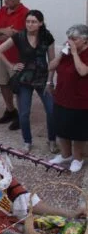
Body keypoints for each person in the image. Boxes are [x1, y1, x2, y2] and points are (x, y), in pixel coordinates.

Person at [0, 10, 56, 154]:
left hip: (42, 78)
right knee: (24, 113)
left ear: (40, 23)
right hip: (24, 78)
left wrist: (50, 81)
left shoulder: (47, 37)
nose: (30, 24)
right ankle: (27, 141)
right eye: (28, 21)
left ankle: (52, 140)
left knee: (51, 110)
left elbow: (52, 61)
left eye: (33, 22)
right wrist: (11, 65)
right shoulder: (19, 36)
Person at [0, 0, 29, 130]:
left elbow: (21, 35)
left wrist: (2, 32)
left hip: (16, 58)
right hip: (0, 55)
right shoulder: (2, 11)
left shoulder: (26, 13)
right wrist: (4, 30)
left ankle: (22, 116)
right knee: (2, 84)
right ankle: (11, 110)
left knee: (18, 88)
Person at [48, 24, 88, 173]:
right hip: (62, 98)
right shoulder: (66, 53)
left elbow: (82, 71)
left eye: (74, 39)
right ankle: (66, 155)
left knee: (77, 133)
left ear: (85, 40)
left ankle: (78, 158)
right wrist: (60, 54)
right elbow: (50, 67)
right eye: (69, 38)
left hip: (81, 101)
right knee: (61, 129)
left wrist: (75, 53)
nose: (70, 41)